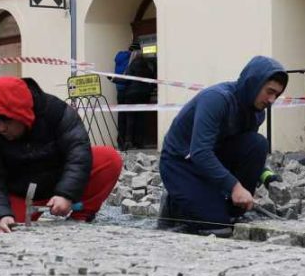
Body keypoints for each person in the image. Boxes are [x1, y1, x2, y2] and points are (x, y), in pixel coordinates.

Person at [0, 76, 123, 234]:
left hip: (59, 179)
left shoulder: (56, 112)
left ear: (22, 114)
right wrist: (1, 215)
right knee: (4, 232)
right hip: (20, 192)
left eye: (6, 121)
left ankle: (82, 216)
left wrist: (66, 193)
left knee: (109, 159)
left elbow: (78, 152)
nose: (1, 128)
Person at [158, 56, 288, 232]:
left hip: (213, 157)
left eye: (276, 95)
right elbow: (200, 152)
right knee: (218, 226)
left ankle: (225, 206)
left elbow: (246, 151)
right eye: (269, 91)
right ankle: (175, 204)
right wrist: (235, 187)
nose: (272, 100)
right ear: (254, 83)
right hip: (181, 163)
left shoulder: (257, 112)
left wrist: (265, 175)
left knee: (258, 143)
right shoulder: (217, 99)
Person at [119, 47, 156, 150]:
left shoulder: (131, 66)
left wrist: (114, 80)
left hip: (131, 95)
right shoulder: (148, 66)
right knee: (141, 119)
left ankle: (128, 142)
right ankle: (140, 143)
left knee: (130, 119)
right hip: (144, 96)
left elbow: (126, 80)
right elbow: (153, 80)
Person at [112, 43, 135, 148]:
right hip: (128, 89)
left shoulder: (119, 58)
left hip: (119, 89)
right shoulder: (131, 58)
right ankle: (128, 141)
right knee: (130, 116)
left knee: (121, 116)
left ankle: (120, 141)